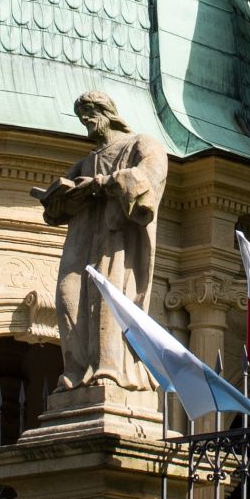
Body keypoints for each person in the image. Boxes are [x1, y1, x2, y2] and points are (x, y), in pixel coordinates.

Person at [33, 91, 168, 393]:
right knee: (67, 296)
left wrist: (102, 183)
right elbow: (55, 213)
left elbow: (150, 176)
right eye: (81, 116)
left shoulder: (141, 143)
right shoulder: (86, 162)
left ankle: (111, 369)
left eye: (89, 114)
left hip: (116, 239)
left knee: (107, 299)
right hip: (82, 240)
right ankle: (76, 371)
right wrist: (57, 201)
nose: (85, 121)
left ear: (107, 113)